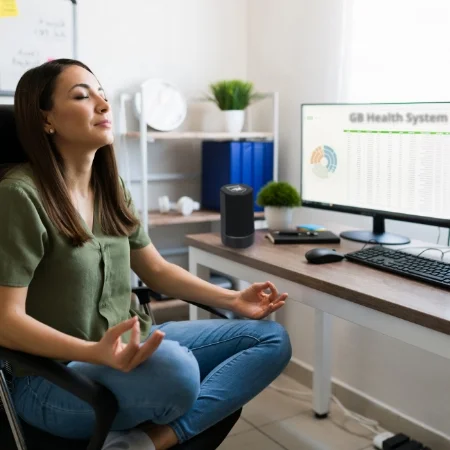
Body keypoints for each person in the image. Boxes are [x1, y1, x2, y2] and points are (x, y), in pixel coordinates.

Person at [0, 59, 292, 450]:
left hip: (130, 345)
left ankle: (146, 442)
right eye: (82, 96)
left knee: (271, 340)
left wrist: (232, 299)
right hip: (52, 378)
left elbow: (154, 268)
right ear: (45, 119)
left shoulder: (111, 187)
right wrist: (93, 352)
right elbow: (5, 322)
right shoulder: (19, 196)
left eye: (101, 92)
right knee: (179, 374)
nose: (103, 104)